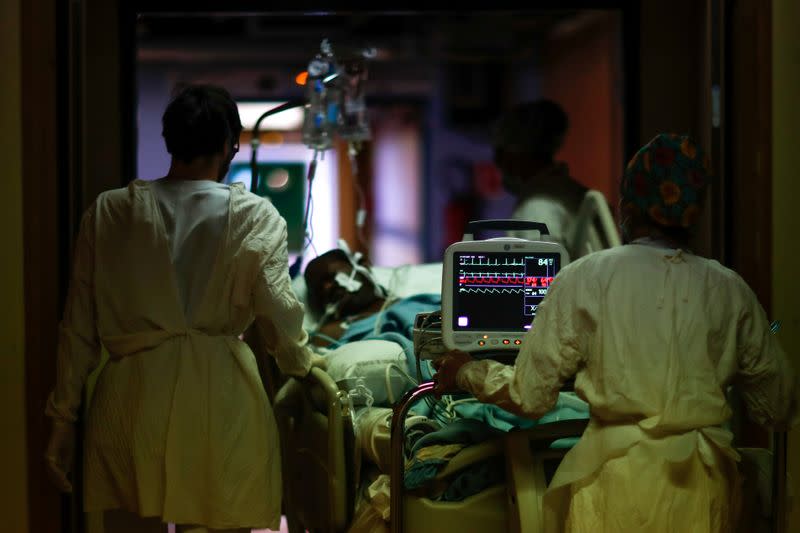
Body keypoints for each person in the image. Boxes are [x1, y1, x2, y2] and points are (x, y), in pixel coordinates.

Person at [433, 133, 798, 532]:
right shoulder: (729, 289)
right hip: (704, 493)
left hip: (616, 489)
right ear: (695, 214)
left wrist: (466, 371)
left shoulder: (587, 277)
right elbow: (778, 405)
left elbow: (530, 395)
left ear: (626, 207)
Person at [44, 84, 323, 533]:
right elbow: (279, 312)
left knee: (132, 517)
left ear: (169, 140)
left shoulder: (111, 212)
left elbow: (77, 327)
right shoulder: (254, 215)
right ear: (231, 144)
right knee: (220, 514)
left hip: (132, 401)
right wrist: (302, 365)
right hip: (219, 397)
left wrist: (63, 418)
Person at [492, 99, 588, 254]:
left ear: (519, 153)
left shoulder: (538, 209)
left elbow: (542, 275)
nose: (497, 162)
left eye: (501, 153)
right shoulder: (567, 192)